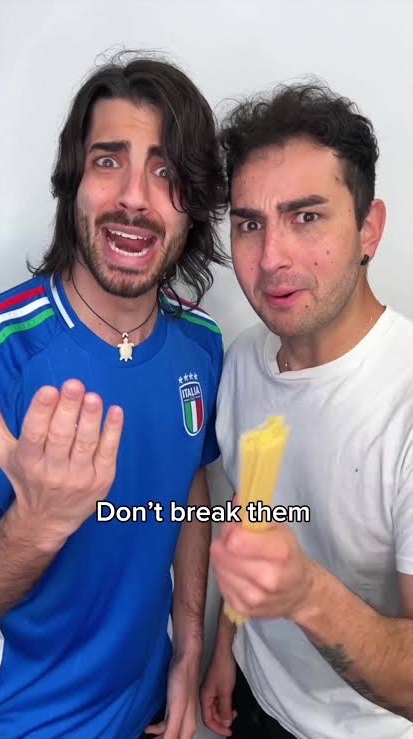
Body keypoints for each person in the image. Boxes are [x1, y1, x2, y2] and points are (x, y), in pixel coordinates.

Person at [0, 52, 227, 739]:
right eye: (108, 161)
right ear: (73, 183)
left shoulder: (202, 344)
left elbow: (189, 484)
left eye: (166, 172)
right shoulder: (7, 349)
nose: (135, 197)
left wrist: (188, 647)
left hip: (150, 708)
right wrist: (38, 523)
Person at [201, 82, 413, 739]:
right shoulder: (242, 359)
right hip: (255, 695)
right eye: (249, 224)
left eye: (307, 217)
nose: (271, 259)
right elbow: (250, 521)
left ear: (369, 229)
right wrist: (227, 647)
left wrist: (306, 595)